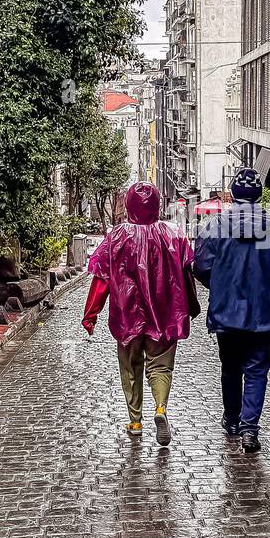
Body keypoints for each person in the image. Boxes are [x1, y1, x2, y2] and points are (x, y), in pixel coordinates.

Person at [82, 182, 195, 445]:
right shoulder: (174, 236)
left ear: (129, 205)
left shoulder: (116, 237)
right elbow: (188, 274)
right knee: (161, 367)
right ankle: (160, 409)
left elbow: (101, 280)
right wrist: (190, 306)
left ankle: (135, 421)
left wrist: (91, 314)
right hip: (165, 317)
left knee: (130, 368)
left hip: (127, 315)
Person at [192, 168, 270, 453]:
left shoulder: (215, 226)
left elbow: (201, 266)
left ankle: (233, 420)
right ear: (259, 195)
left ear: (233, 194)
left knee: (230, 367)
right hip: (262, 312)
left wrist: (221, 285)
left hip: (227, 312)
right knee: (257, 369)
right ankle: (250, 429)